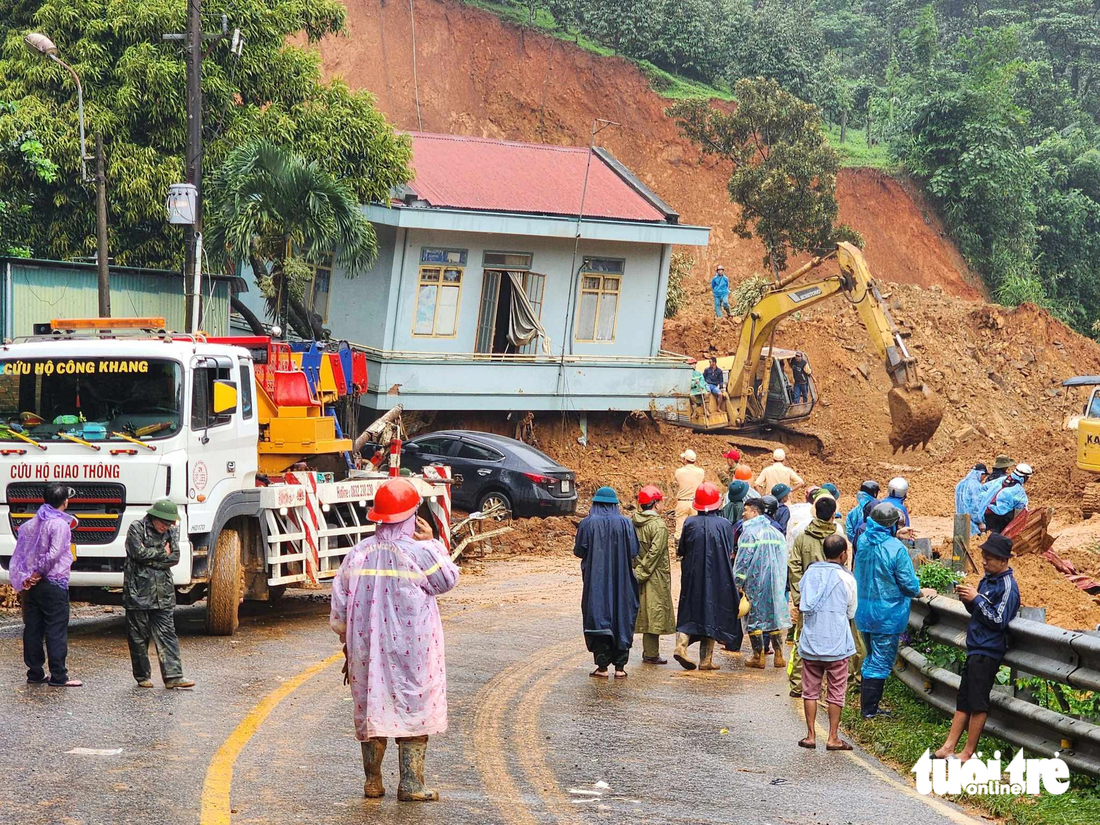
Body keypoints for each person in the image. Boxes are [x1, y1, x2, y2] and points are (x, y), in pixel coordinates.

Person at [330, 477, 459, 801]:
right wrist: (433, 543)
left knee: (373, 706)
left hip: (366, 649)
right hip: (411, 650)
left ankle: (373, 781)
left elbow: (339, 609)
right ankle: (412, 784)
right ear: (412, 517)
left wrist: (348, 642)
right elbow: (447, 579)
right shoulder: (420, 553)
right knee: (413, 705)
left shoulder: (358, 554)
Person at [932, 533, 1020, 761]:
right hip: (975, 647)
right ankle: (948, 747)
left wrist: (978, 599)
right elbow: (979, 614)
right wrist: (969, 601)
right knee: (964, 699)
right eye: (983, 556)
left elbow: (999, 621)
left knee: (978, 702)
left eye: (989, 558)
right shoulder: (987, 580)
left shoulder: (1008, 586)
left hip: (988, 650)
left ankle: (968, 752)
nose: (984, 561)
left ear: (1003, 561)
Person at [8, 483, 82, 687]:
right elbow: (54, 553)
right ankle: (59, 675)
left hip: (30, 587)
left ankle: (35, 672)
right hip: (52, 583)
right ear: (65, 502)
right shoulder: (59, 525)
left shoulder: (31, 523)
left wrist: (28, 576)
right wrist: (38, 573)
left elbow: (21, 553)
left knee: (33, 628)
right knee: (55, 629)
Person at [853, 503, 921, 718]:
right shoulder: (897, 549)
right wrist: (920, 591)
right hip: (887, 614)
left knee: (871, 656)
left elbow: (876, 542)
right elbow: (909, 585)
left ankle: (867, 707)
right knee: (881, 660)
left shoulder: (863, 541)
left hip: (863, 611)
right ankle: (870, 711)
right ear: (892, 526)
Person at [123, 500, 194, 690]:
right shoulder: (137, 528)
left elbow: (174, 557)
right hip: (138, 593)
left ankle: (174, 676)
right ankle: (142, 676)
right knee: (138, 638)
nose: (166, 526)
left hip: (163, 593)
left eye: (170, 523)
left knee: (168, 635)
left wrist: (152, 557)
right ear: (154, 517)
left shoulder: (171, 532)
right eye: (164, 522)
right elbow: (136, 553)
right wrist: (161, 552)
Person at [797, 534, 858, 751]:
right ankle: (833, 737)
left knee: (810, 691)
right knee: (836, 691)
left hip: (811, 642)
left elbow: (801, 601)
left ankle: (810, 735)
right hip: (837, 646)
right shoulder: (847, 579)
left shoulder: (809, 574)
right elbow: (851, 611)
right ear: (843, 555)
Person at [674, 482, 743, 670]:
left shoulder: (689, 523)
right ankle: (706, 660)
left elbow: (682, 550)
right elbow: (730, 550)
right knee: (713, 611)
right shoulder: (724, 524)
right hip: (717, 575)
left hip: (692, 575)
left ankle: (681, 646)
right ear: (717, 504)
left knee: (689, 608)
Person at [574, 487, 640, 677]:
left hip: (596, 581)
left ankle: (602, 667)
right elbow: (634, 551)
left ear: (595, 503)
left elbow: (579, 551)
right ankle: (620, 668)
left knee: (597, 616)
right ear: (615, 505)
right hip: (623, 581)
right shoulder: (626, 524)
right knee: (622, 618)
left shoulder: (587, 524)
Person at [787, 495, 838, 696]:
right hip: (832, 600)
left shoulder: (802, 535)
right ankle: (828, 687)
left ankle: (798, 685)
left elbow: (794, 566)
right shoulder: (838, 535)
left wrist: (799, 596)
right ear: (834, 515)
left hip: (807, 599)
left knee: (803, 640)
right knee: (833, 640)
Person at [734, 498, 791, 669]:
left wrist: (738, 581)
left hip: (755, 581)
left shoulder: (749, 533)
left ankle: (758, 656)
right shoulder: (775, 532)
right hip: (775, 581)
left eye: (746, 510)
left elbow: (743, 560)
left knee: (754, 618)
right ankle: (779, 656)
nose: (743, 513)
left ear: (755, 512)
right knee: (773, 616)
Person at [632, 486, 675, 665]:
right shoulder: (658, 525)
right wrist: (642, 573)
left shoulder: (633, 522)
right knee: (655, 612)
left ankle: (649, 652)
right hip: (654, 574)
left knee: (644, 611)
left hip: (638, 570)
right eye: (661, 501)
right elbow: (655, 553)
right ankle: (651, 653)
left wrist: (636, 571)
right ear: (656, 504)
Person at [980, 464, 1032, 533]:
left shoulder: (1000, 479)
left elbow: (983, 488)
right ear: (1025, 478)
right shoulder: (1019, 492)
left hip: (982, 512)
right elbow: (1020, 512)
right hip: (996, 518)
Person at [672, 449, 706, 542]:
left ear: (685, 460)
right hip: (695, 503)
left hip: (682, 502)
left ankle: (679, 550)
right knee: (696, 529)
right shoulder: (701, 472)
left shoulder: (679, 471)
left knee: (679, 529)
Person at [955, 464, 988, 535]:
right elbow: (975, 506)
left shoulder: (960, 484)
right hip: (972, 524)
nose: (983, 479)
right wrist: (980, 521)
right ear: (981, 474)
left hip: (960, 521)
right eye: (984, 476)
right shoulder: (976, 486)